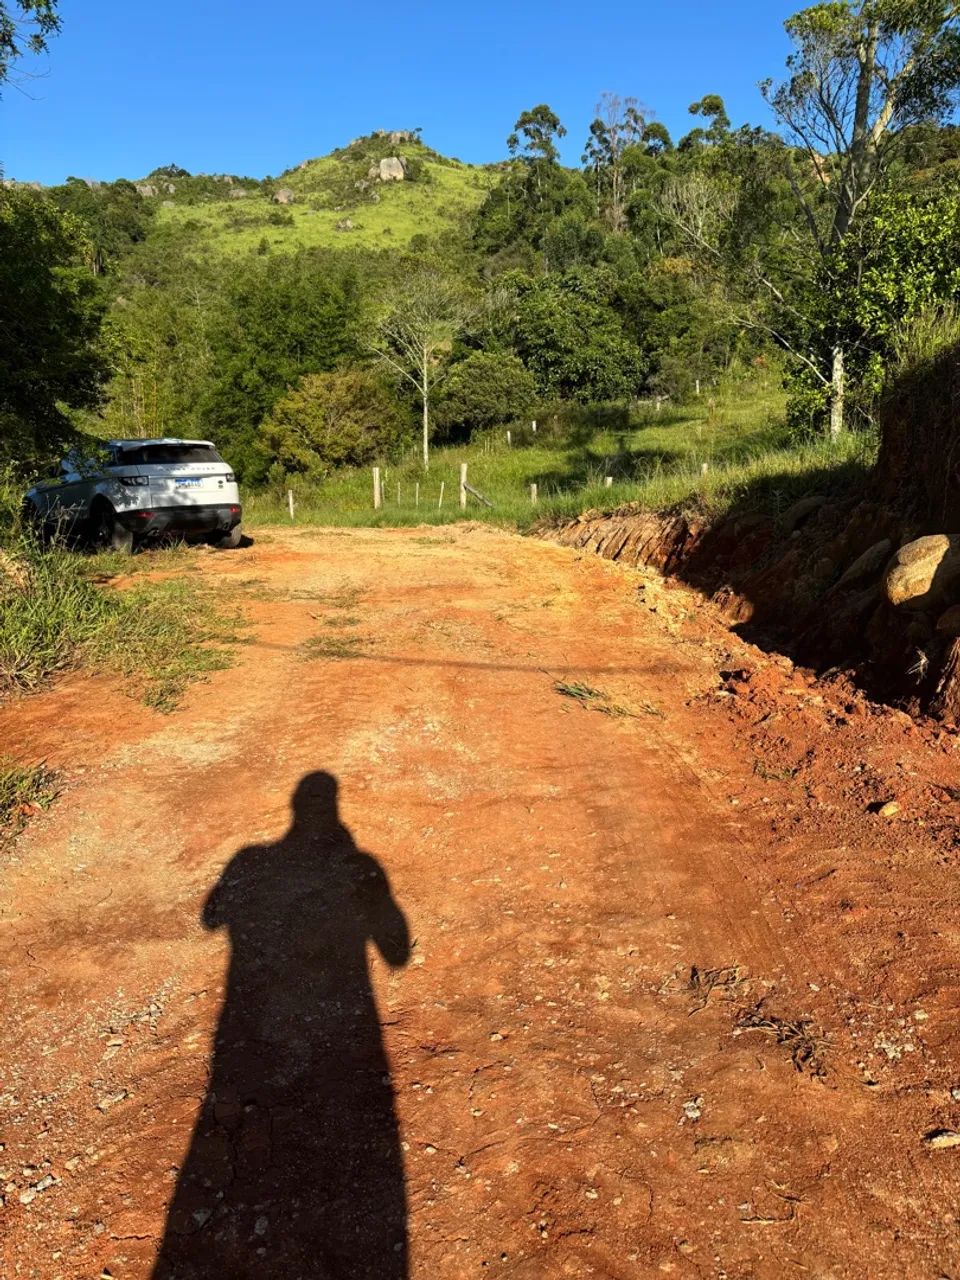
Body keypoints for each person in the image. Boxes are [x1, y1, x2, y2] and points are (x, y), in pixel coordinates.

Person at [152, 771, 410, 1279]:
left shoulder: (251, 859)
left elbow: (210, 918)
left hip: (247, 1030)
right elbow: (397, 953)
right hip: (350, 1030)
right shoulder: (362, 866)